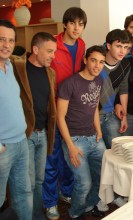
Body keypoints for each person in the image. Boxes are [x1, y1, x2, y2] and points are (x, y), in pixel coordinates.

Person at [43, 7, 87, 220]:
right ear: (65, 24)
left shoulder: (81, 45)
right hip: (52, 108)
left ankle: (66, 192)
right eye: (73, 23)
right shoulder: (52, 44)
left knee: (71, 156)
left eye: (81, 24)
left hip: (73, 109)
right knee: (52, 157)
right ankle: (50, 202)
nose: (77, 28)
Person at [57, 45, 106, 219]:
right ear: (85, 60)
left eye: (101, 62)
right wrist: (69, 145)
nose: (97, 65)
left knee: (103, 178)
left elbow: (94, 107)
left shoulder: (99, 80)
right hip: (75, 140)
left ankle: (89, 205)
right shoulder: (69, 84)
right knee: (84, 183)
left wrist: (99, 130)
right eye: (93, 60)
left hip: (94, 136)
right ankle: (75, 213)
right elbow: (60, 117)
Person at [11, 32, 56, 220]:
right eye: (49, 51)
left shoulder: (50, 73)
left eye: (54, 52)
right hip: (25, 135)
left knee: (39, 180)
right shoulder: (16, 67)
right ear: (35, 49)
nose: (53, 56)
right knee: (26, 184)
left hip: (43, 134)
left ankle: (37, 215)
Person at [0, 19, 33, 220]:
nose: (7, 45)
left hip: (21, 142)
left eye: (11, 40)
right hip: (3, 147)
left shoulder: (10, 65)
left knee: (24, 194)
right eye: (1, 39)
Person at [99, 29, 131, 150]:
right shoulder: (97, 62)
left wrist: (124, 118)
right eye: (118, 46)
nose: (122, 51)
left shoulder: (125, 64)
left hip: (111, 114)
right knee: (99, 155)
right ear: (108, 45)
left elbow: (123, 89)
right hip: (93, 116)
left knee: (118, 151)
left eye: (125, 47)